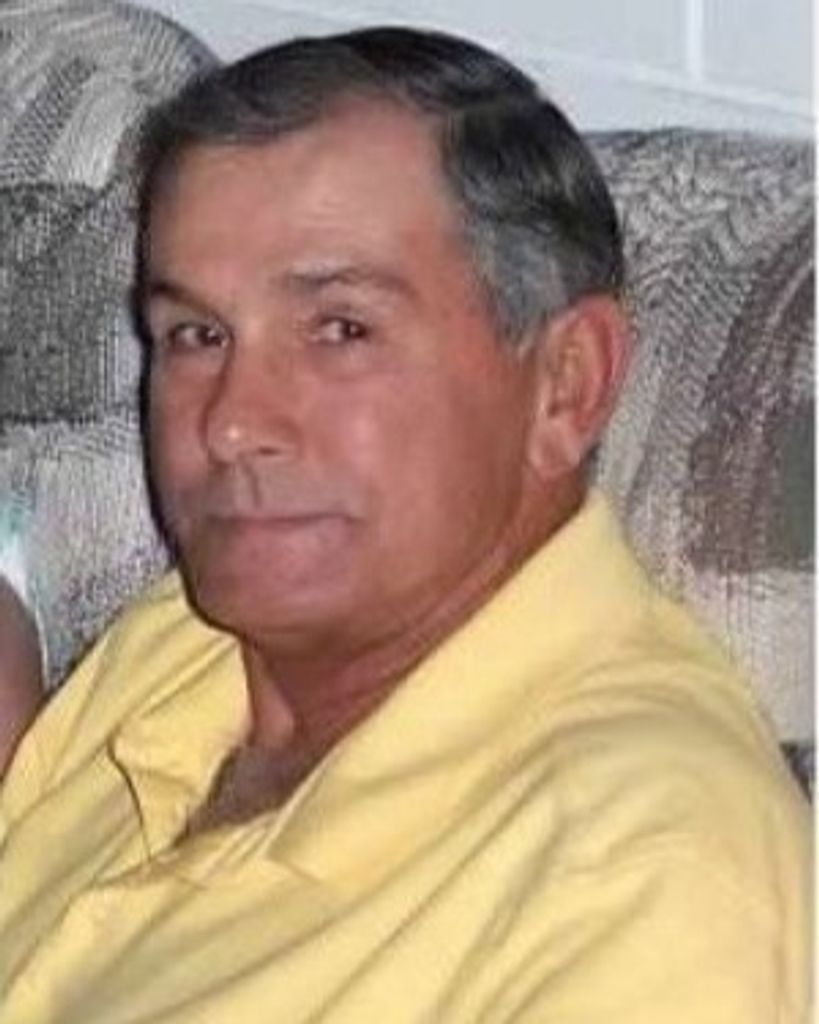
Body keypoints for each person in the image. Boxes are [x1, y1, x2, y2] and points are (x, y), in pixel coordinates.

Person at [0, 27, 809, 1023]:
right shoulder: (189, 646)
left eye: (341, 329)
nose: (232, 423)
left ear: (566, 384)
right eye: (197, 335)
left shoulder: (643, 885)